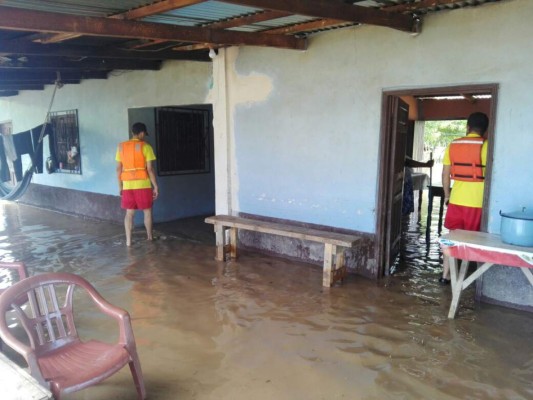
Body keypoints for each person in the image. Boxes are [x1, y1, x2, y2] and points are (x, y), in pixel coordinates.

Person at [440, 112, 489, 284]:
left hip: (456, 201)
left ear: (467, 127)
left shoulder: (453, 145)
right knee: (474, 241)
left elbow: (445, 173)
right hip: (477, 203)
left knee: (450, 238)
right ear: (485, 130)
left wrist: (447, 196)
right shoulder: (487, 146)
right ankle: (472, 281)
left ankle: (445, 276)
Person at [116, 122, 159, 246]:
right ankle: (150, 237)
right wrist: (155, 186)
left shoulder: (121, 147)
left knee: (129, 213)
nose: (144, 136)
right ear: (141, 133)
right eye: (144, 133)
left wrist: (120, 187)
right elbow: (150, 169)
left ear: (132, 132)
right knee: (147, 211)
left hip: (127, 185)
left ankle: (128, 242)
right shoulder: (146, 147)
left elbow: (118, 169)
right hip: (143, 185)